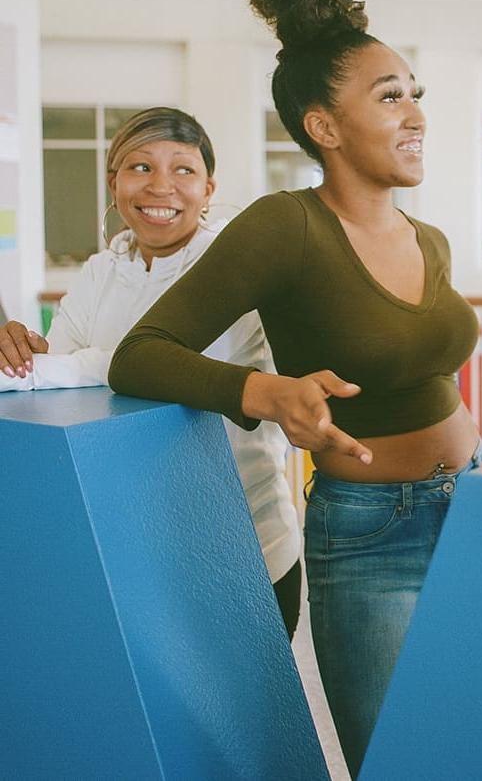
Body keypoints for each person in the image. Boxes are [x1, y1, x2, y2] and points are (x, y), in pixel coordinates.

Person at [109, 0, 482, 778]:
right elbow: (142, 354)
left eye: (416, 91)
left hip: (475, 514)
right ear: (325, 126)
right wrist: (265, 393)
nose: (416, 111)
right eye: (392, 96)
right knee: (396, 761)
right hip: (371, 534)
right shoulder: (287, 227)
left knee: (475, 742)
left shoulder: (431, 241)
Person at [0, 107, 303, 635]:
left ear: (209, 188)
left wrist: (54, 370)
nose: (160, 186)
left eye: (183, 170)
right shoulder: (101, 269)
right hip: (131, 542)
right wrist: (23, 356)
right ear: (113, 182)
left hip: (243, 541)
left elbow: (152, 369)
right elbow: (59, 383)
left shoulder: (233, 266)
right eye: (140, 168)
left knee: (248, 715)